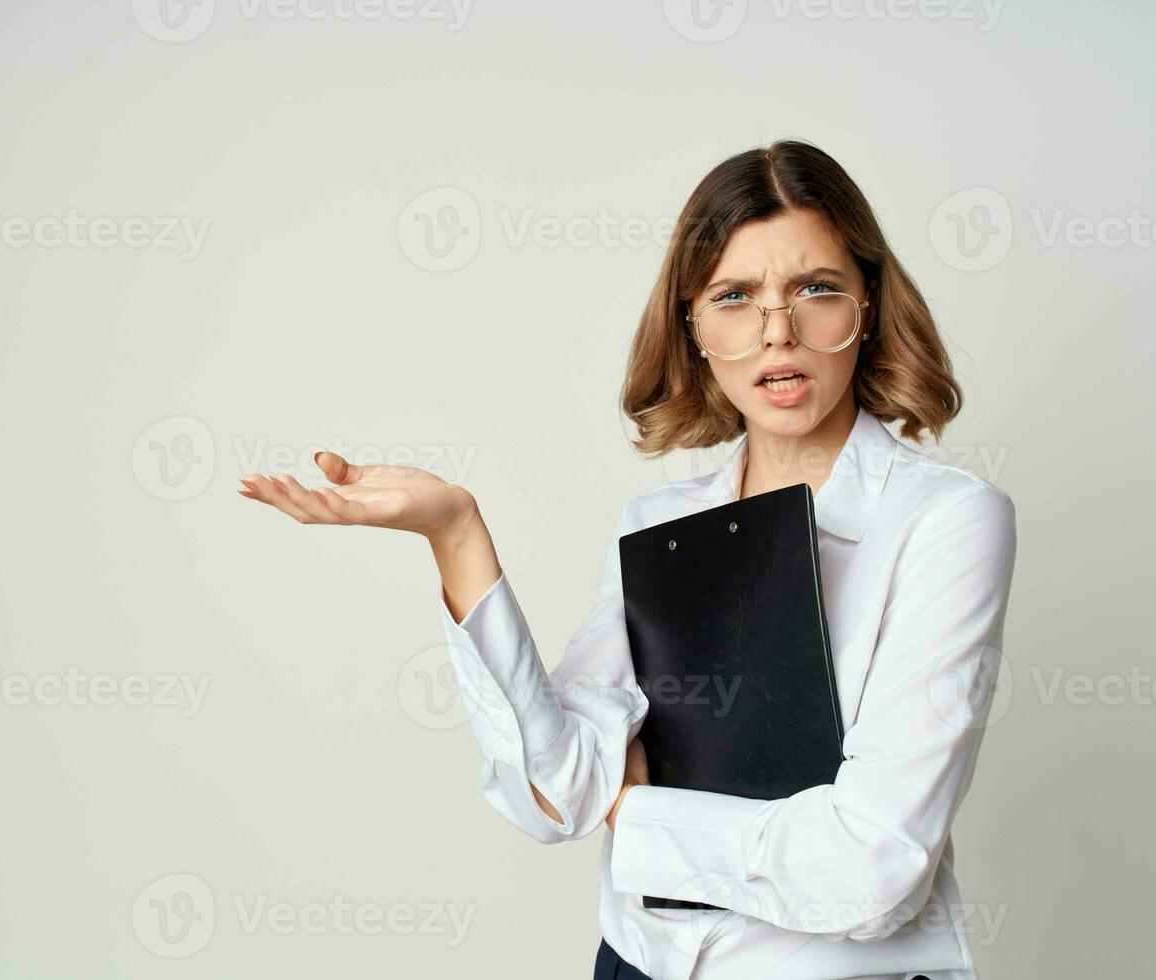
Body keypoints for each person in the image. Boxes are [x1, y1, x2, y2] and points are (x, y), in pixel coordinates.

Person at [238, 140, 1018, 980]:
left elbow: (873, 872)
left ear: (867, 303)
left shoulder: (944, 522)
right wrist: (458, 537)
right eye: (735, 296)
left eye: (816, 289)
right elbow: (559, 791)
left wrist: (640, 818)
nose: (777, 331)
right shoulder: (661, 525)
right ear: (694, 326)